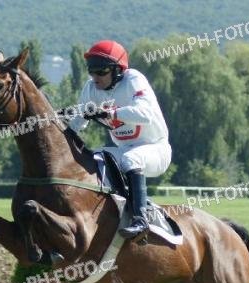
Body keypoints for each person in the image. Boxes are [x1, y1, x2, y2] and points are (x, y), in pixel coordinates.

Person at [67, 40, 172, 240]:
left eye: (101, 71)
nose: (95, 77)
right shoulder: (91, 88)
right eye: (91, 71)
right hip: (124, 151)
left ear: (117, 70)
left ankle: (141, 221)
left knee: (131, 159)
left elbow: (146, 114)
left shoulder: (133, 79)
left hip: (156, 149)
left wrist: (110, 113)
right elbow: (75, 125)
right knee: (92, 158)